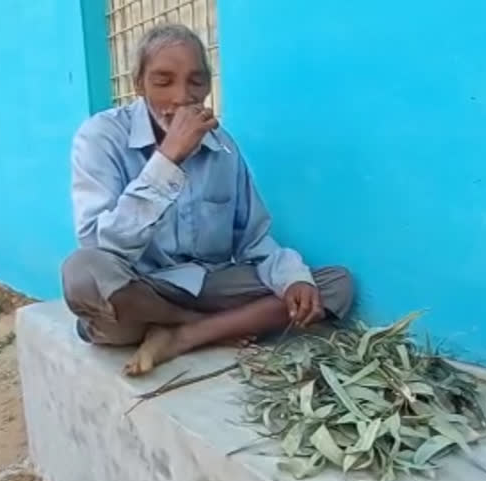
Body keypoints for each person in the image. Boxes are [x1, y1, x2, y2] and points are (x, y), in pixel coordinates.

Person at [62, 24, 353, 376]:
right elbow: (98, 243)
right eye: (163, 81)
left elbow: (255, 241)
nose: (183, 96)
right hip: (140, 288)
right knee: (83, 272)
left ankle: (185, 336)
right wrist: (167, 161)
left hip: (208, 285)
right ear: (138, 84)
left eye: (196, 81)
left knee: (333, 285)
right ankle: (204, 325)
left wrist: (294, 279)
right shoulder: (101, 136)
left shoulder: (223, 147)